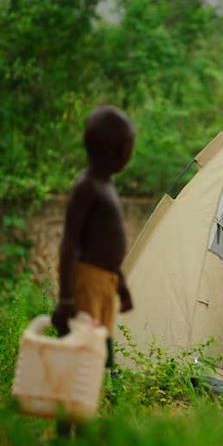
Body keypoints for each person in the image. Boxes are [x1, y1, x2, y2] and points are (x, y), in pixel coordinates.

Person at [51, 105, 135, 369]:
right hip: (87, 282)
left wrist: (120, 285)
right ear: (119, 150)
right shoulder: (87, 186)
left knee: (99, 349)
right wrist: (66, 298)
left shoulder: (106, 184)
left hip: (104, 284)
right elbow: (71, 242)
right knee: (83, 349)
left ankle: (93, 398)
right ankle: (72, 401)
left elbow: (105, 247)